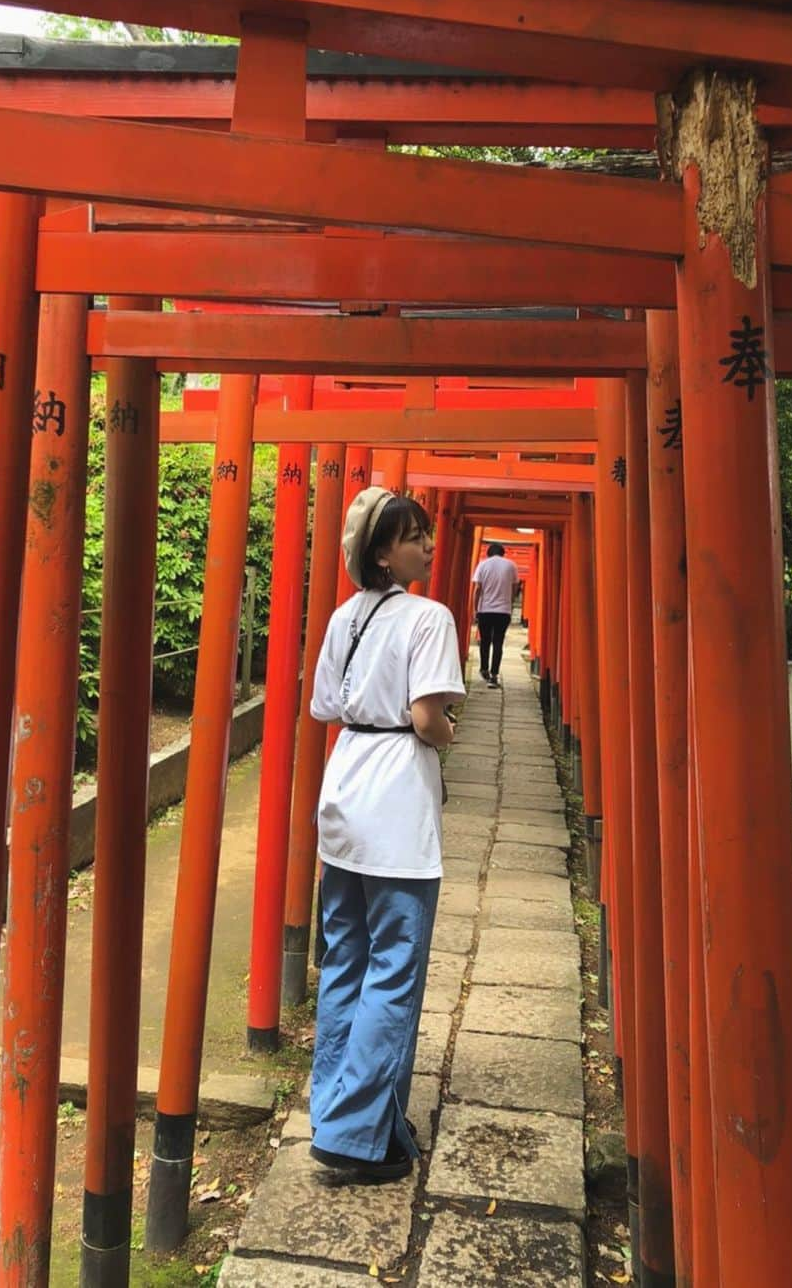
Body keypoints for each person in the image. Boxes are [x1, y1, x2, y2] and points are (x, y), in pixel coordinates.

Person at [307, 487, 465, 1184]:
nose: (428, 545)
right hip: (398, 796)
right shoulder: (429, 617)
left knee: (346, 957)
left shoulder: (346, 616)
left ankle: (345, 1114)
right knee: (395, 968)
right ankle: (353, 1133)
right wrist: (450, 740)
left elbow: (322, 708)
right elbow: (428, 717)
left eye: (428, 533)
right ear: (382, 553)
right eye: (413, 537)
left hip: (344, 790)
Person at [472, 541, 520, 687]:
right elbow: (514, 588)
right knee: (498, 642)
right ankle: (494, 675)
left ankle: (484, 669)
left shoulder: (483, 564)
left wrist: (475, 609)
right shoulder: (511, 565)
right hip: (503, 610)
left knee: (485, 641)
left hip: (485, 609)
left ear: (489, 553)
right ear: (502, 553)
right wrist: (510, 605)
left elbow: (478, 589)